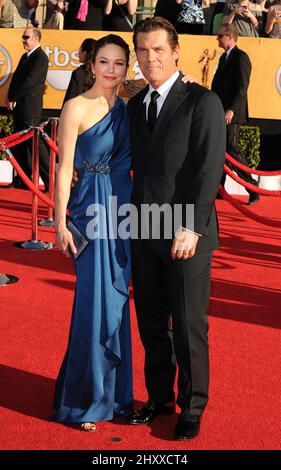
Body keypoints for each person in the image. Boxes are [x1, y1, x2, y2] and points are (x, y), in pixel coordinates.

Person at [127, 17, 226, 440]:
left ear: (176, 51)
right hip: (144, 228)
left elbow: (208, 169)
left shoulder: (201, 101)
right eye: (143, 51)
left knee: (188, 326)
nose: (150, 59)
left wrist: (193, 227)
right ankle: (159, 398)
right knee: (151, 323)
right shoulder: (134, 105)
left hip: (186, 231)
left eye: (158, 50)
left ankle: (192, 406)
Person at [52, 34, 133, 431]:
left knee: (117, 302)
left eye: (119, 63)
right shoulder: (76, 107)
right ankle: (86, 398)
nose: (111, 71)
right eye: (104, 62)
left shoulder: (131, 107)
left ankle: (114, 395)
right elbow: (64, 168)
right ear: (92, 63)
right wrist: (59, 219)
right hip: (88, 212)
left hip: (125, 212)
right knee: (94, 303)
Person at [211, 23, 260, 204]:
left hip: (232, 113)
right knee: (220, 151)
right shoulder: (224, 58)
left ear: (230, 37)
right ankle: (220, 189)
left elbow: (242, 87)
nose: (217, 38)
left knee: (231, 150)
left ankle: (252, 187)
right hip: (220, 112)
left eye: (221, 35)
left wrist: (231, 109)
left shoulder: (241, 57)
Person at [3, 26, 50, 191]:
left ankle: (51, 183)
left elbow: (29, 82)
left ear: (36, 39)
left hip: (30, 109)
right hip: (20, 108)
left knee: (36, 147)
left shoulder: (40, 58)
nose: (23, 40)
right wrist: (9, 96)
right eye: (23, 37)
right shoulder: (25, 57)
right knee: (20, 147)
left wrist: (12, 96)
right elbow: (16, 79)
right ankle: (22, 181)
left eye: (26, 37)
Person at [63, 38, 96, 104]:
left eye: (79, 50)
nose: (78, 53)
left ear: (84, 53)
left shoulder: (79, 73)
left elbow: (71, 99)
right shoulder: (102, 71)